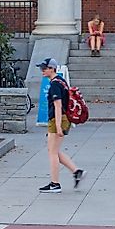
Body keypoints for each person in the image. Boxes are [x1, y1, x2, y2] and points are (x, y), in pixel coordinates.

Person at [38, 57, 83, 192]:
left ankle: (55, 183)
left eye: (44, 69)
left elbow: (58, 106)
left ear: (52, 69)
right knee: (54, 150)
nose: (42, 71)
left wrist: (57, 126)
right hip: (62, 119)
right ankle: (76, 171)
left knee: (52, 152)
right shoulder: (62, 82)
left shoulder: (55, 85)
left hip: (58, 119)